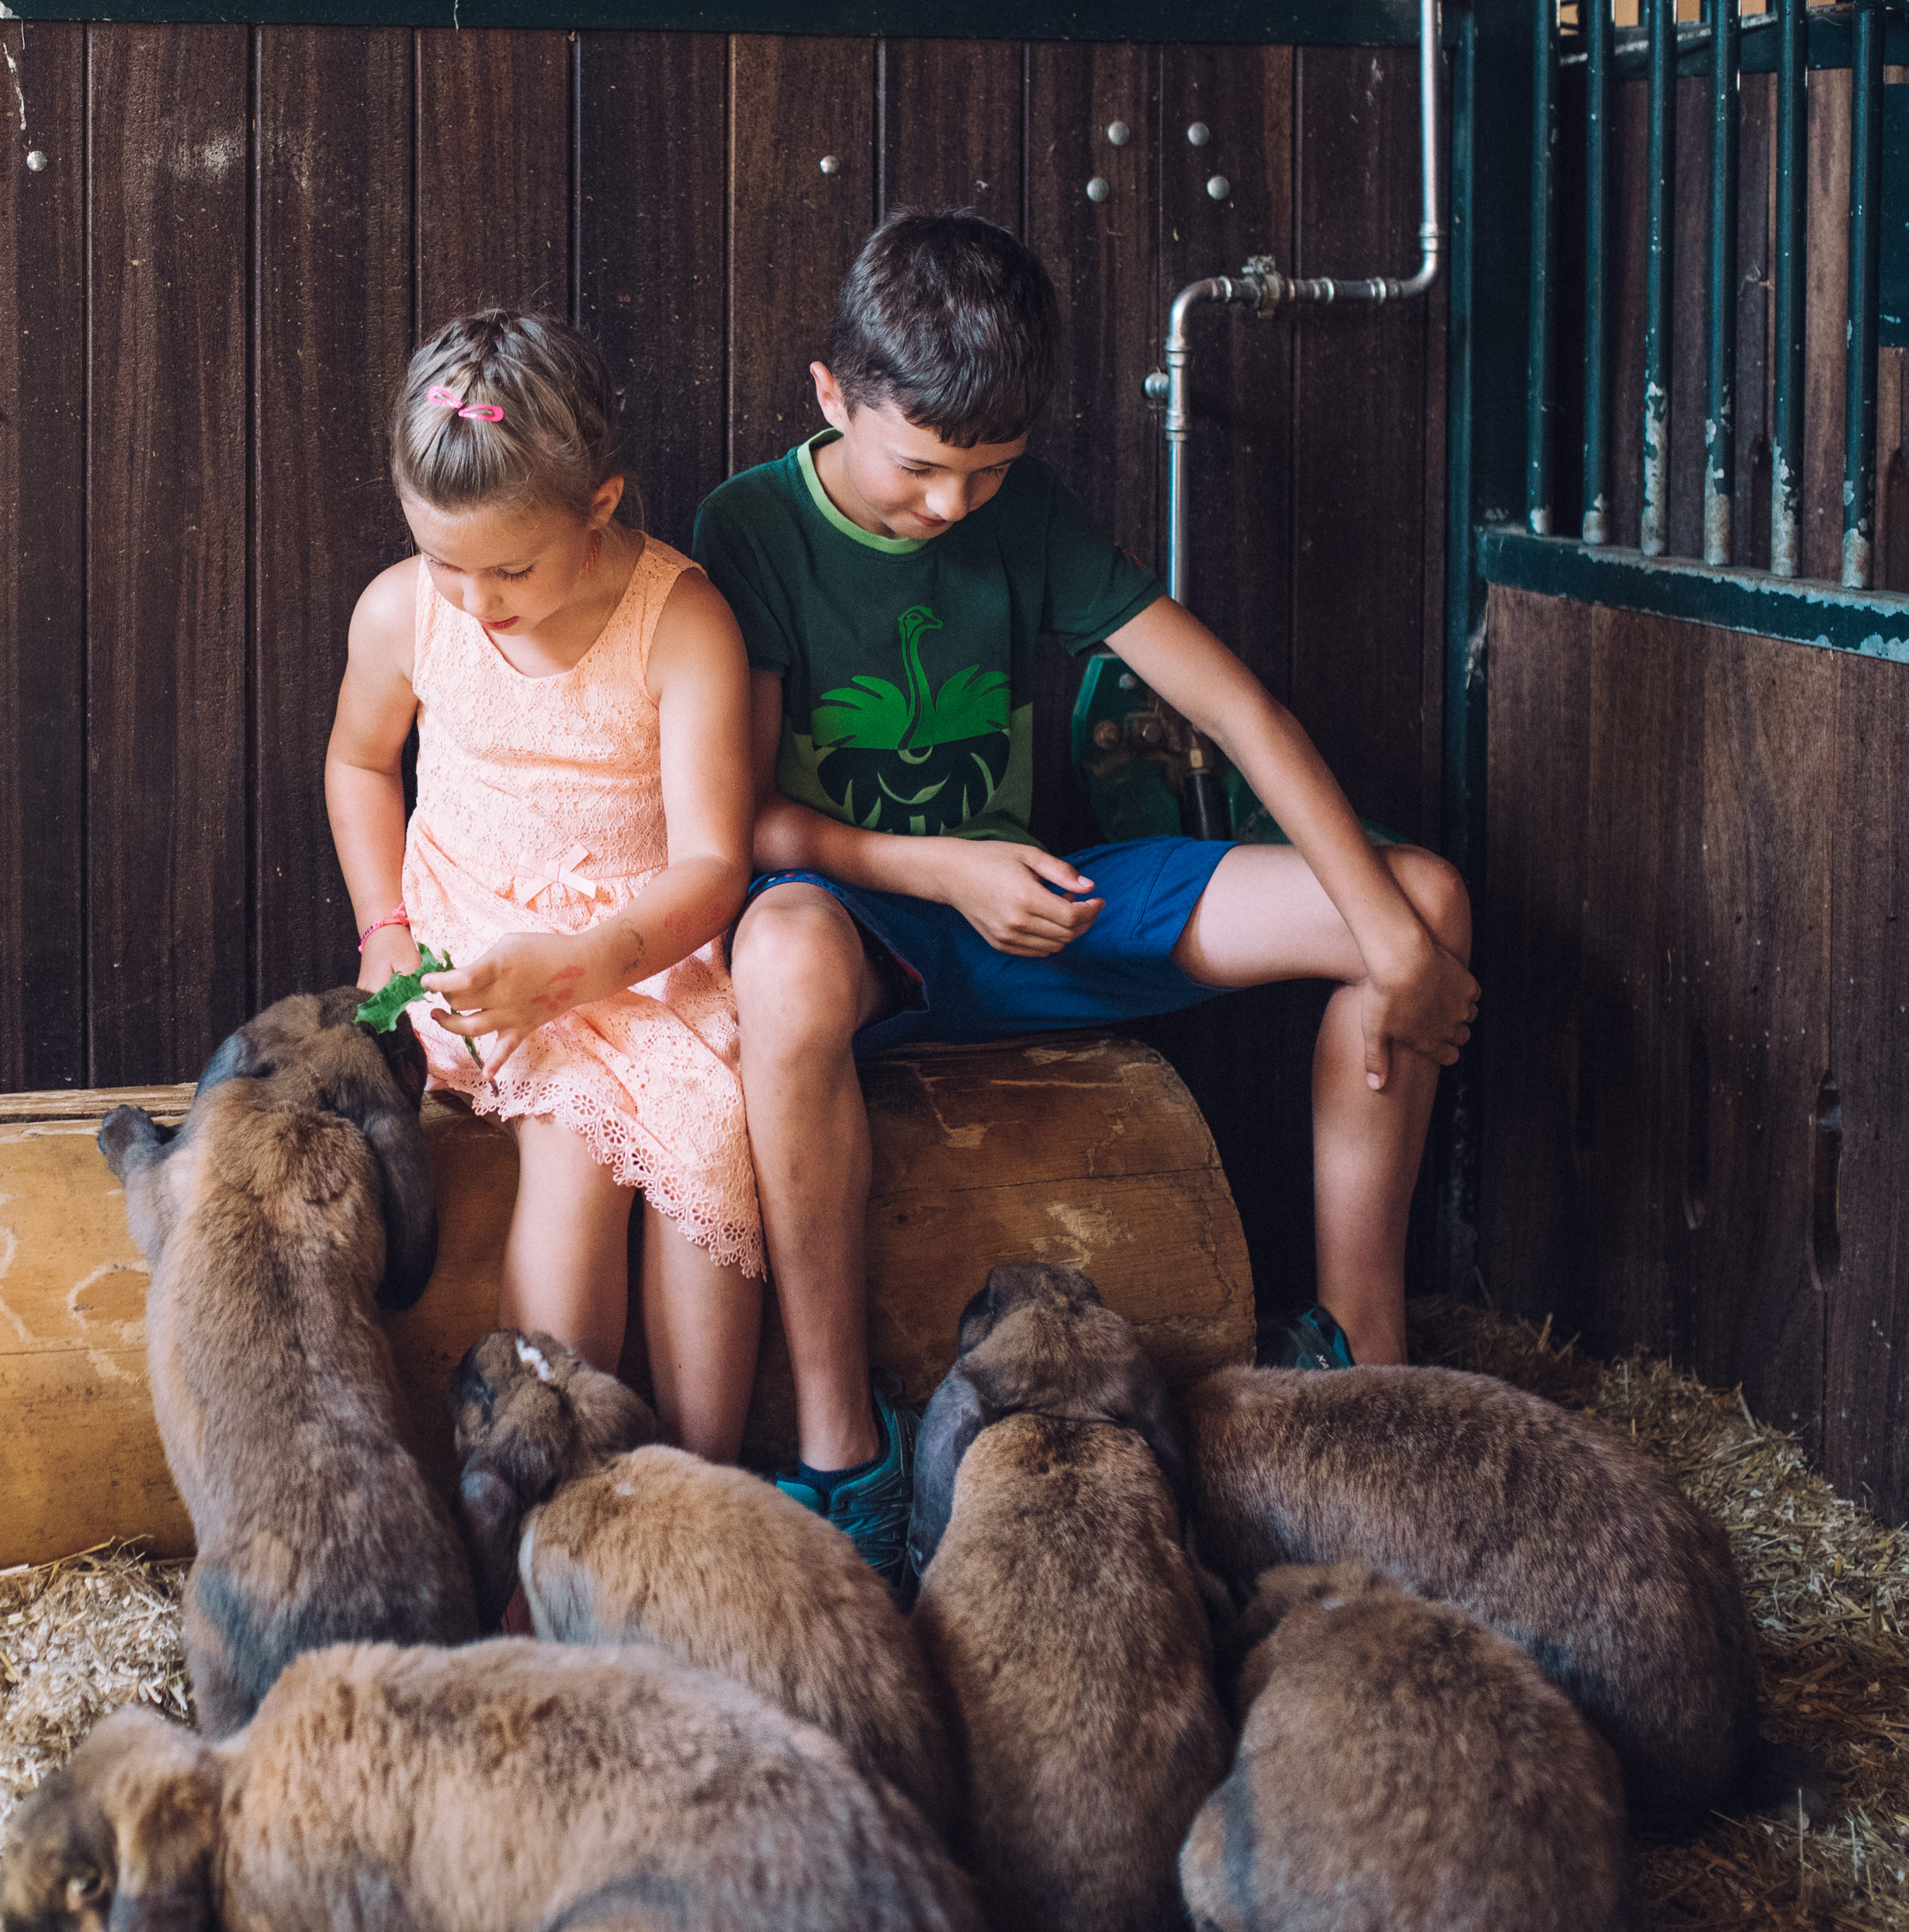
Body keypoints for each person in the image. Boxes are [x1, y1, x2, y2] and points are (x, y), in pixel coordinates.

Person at [695, 209, 1479, 1586]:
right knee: (782, 950)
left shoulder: (1032, 511)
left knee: (1417, 896)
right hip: (873, 926)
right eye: (923, 467)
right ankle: (845, 1461)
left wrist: (1398, 952)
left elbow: (1232, 702)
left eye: (987, 474)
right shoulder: (751, 524)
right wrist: (945, 869)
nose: (952, 507)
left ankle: (1362, 1352)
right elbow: (748, 816)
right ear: (832, 395)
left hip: (1043, 912)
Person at [325, 309, 765, 1463]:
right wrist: (384, 929)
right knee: (575, 1141)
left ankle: (696, 1474)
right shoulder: (403, 612)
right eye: (445, 561)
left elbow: (716, 865)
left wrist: (577, 971)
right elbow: (360, 762)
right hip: (465, 938)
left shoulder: (683, 625)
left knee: (701, 1123)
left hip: (633, 944)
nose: (474, 599)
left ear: (602, 504)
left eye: (511, 566)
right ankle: (546, 1477)